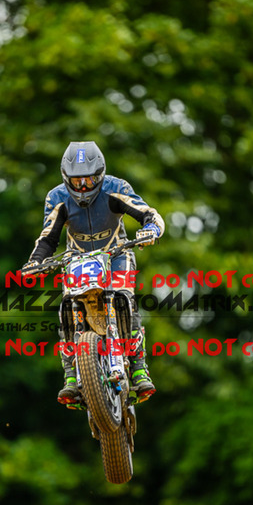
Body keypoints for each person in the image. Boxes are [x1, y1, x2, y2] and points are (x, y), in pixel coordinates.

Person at [22, 141, 165, 406]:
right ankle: (70, 376)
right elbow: (48, 237)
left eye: (89, 180)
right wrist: (35, 262)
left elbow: (148, 213)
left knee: (124, 298)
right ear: (65, 178)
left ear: (100, 174)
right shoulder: (56, 197)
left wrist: (151, 229)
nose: (83, 187)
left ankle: (139, 368)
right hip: (77, 259)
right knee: (67, 306)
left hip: (117, 253)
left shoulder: (116, 188)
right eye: (76, 181)